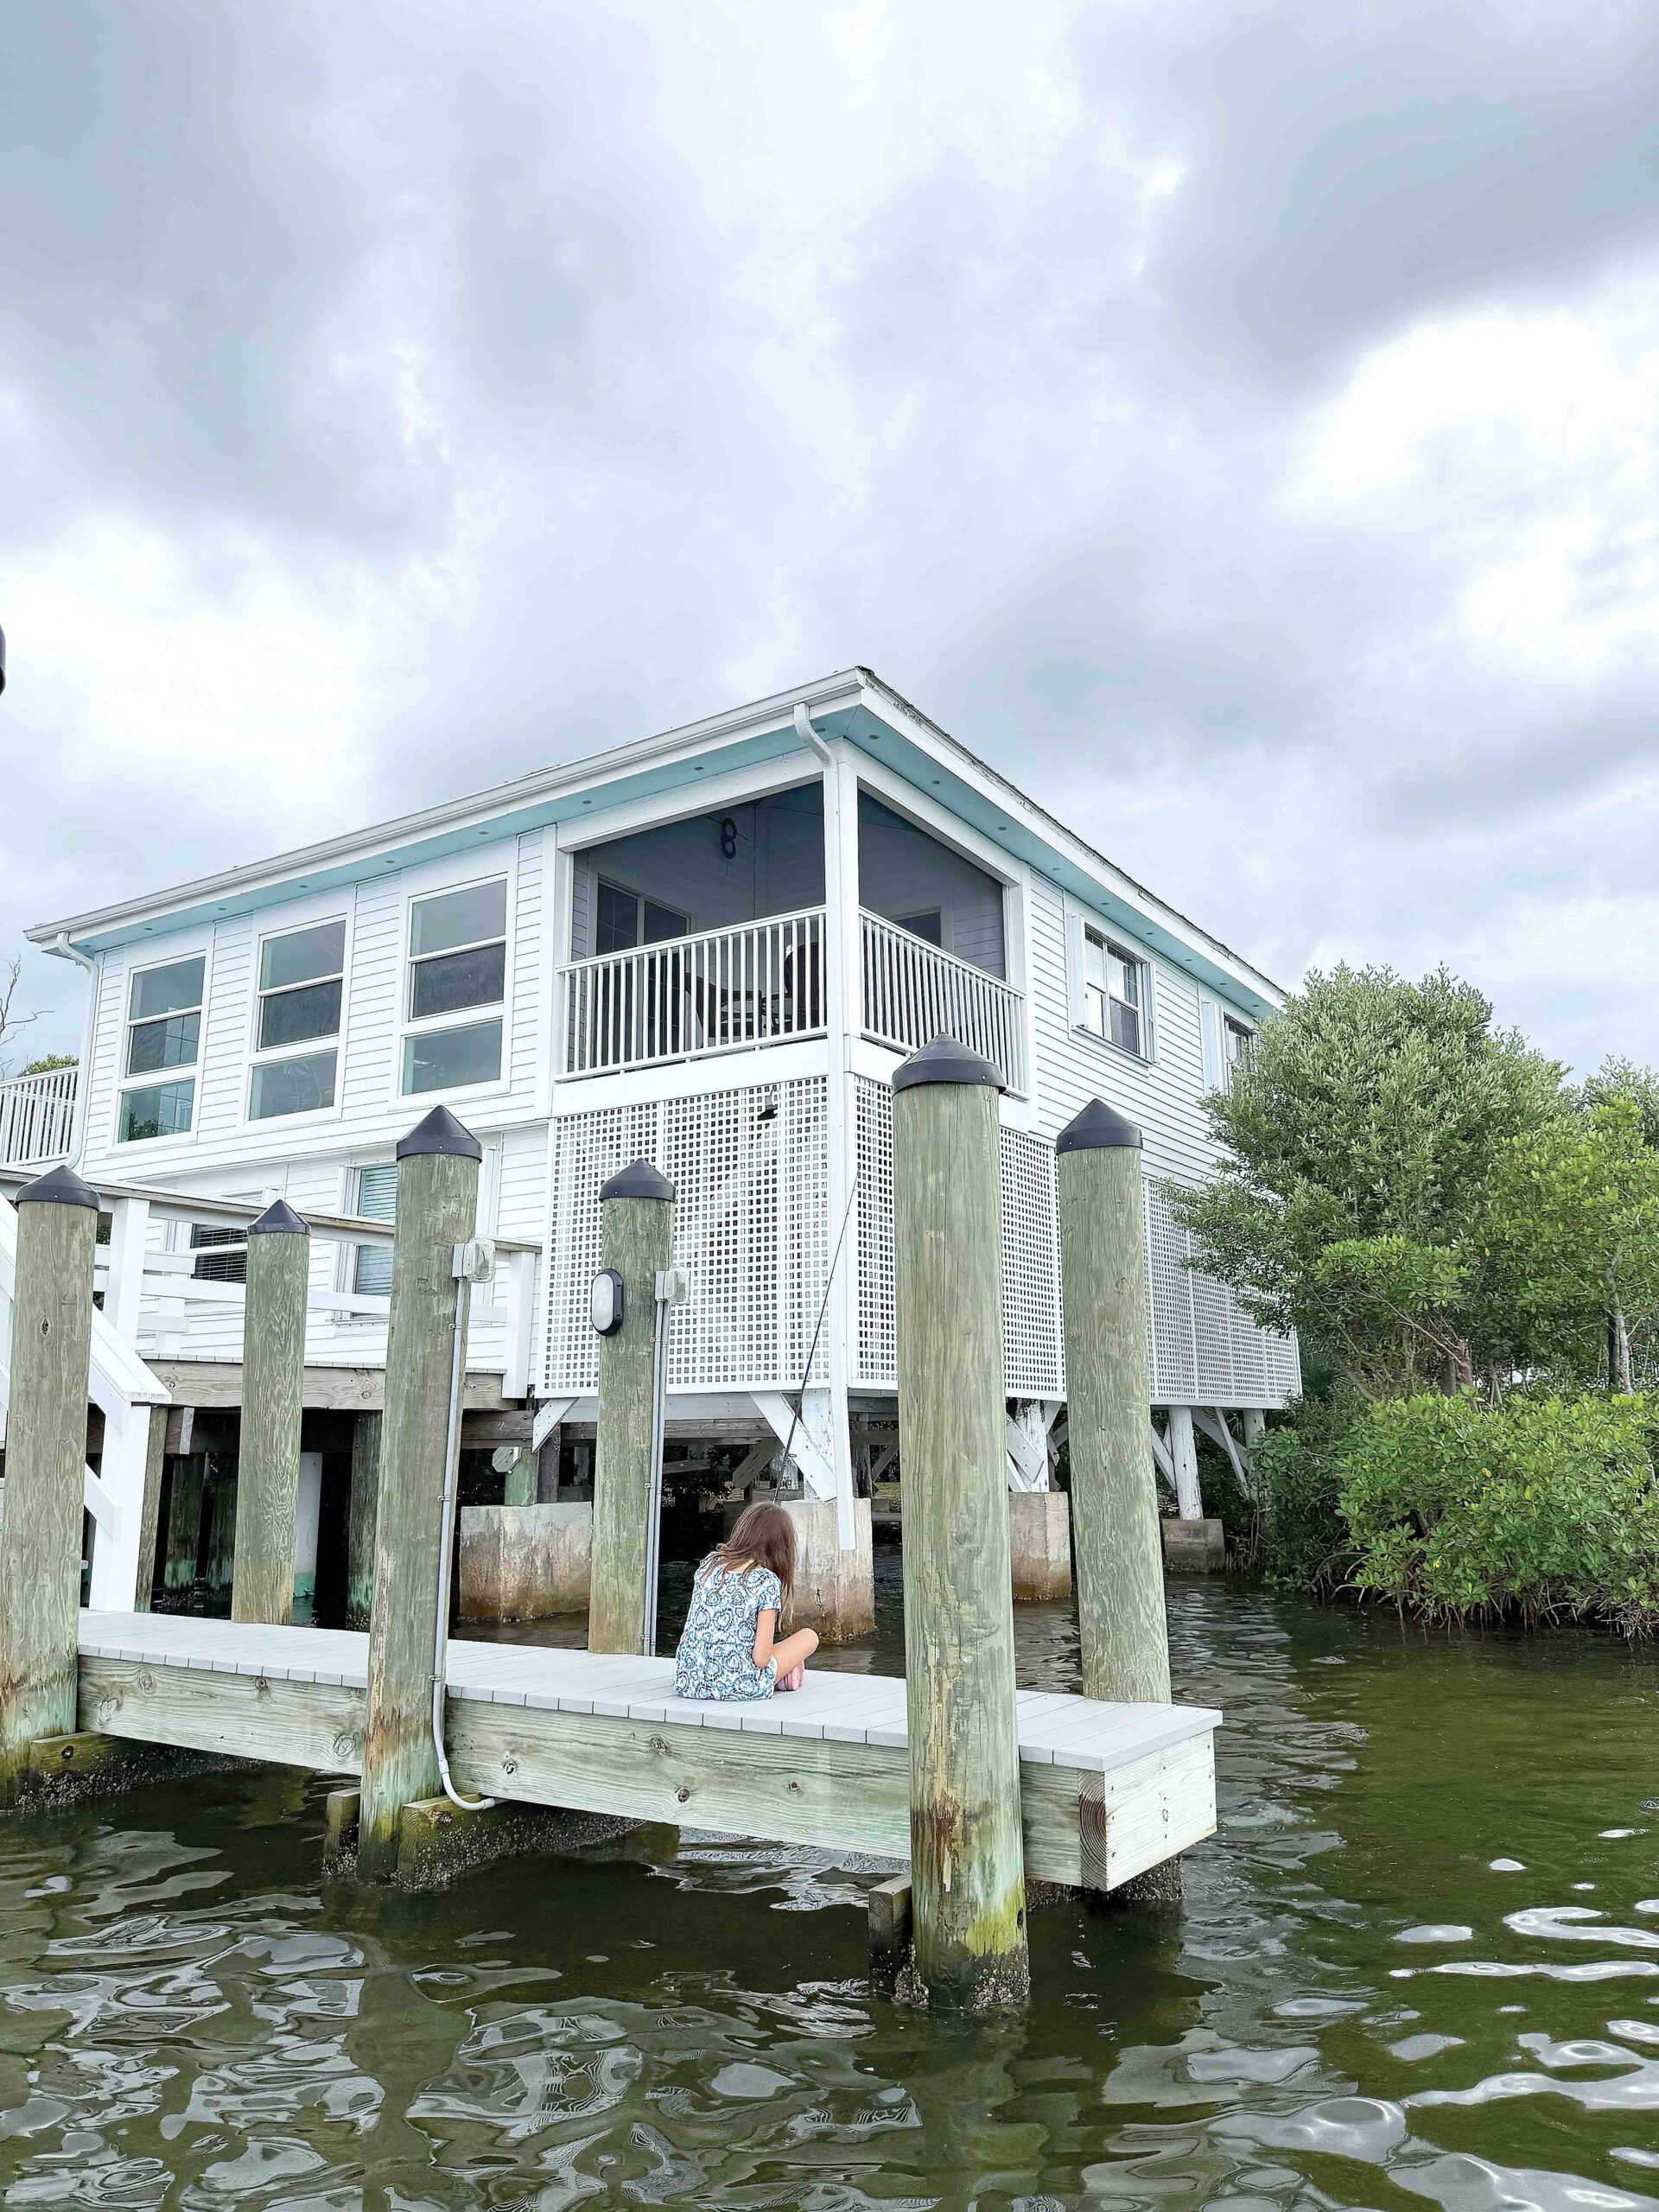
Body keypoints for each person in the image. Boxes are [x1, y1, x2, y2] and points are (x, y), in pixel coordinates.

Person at [674, 1500, 819, 1700]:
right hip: (739, 1685)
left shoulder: (709, 1565)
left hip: (690, 1680)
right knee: (809, 1637)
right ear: (781, 1546)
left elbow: (685, 1637)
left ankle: (784, 1673)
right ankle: (784, 1673)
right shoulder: (765, 1581)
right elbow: (760, 1659)